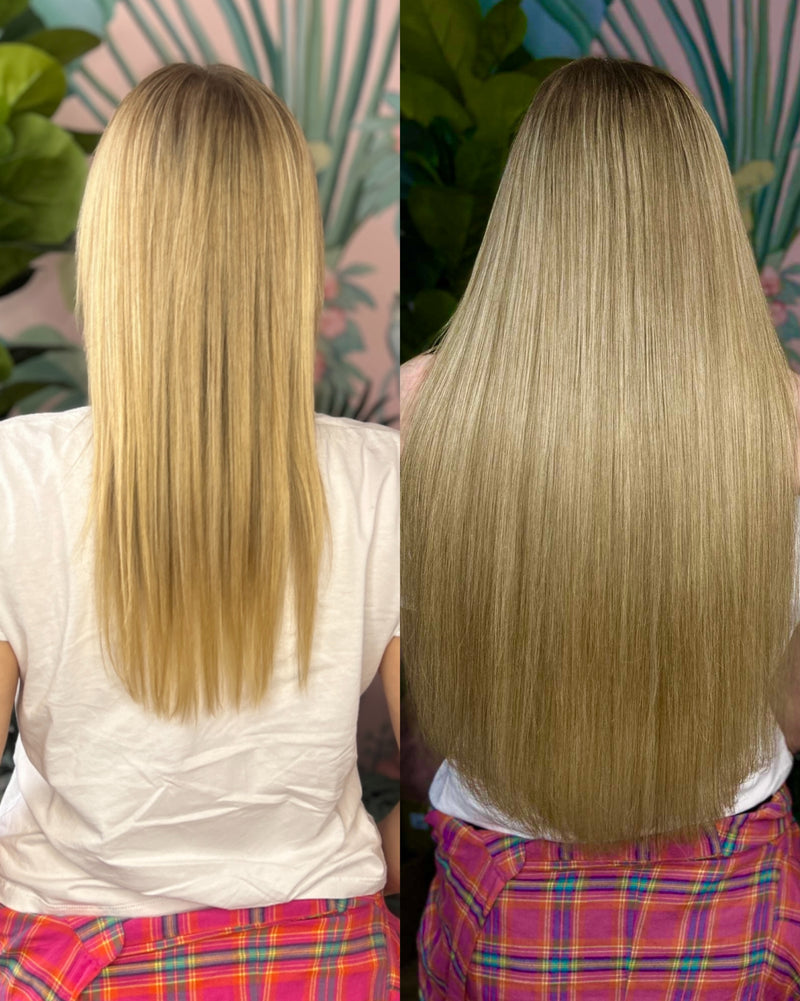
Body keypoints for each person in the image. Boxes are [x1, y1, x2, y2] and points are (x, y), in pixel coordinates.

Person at [401, 56, 800, 1000]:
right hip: (734, 908)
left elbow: (416, 720)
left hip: (500, 902)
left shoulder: (420, 409)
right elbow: (790, 697)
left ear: (526, 207)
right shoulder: (786, 420)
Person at [0, 63, 399, 999]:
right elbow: (448, 765)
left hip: (72, 957)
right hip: (322, 960)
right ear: (292, 255)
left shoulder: (15, 475)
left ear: (109, 247)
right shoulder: (381, 476)